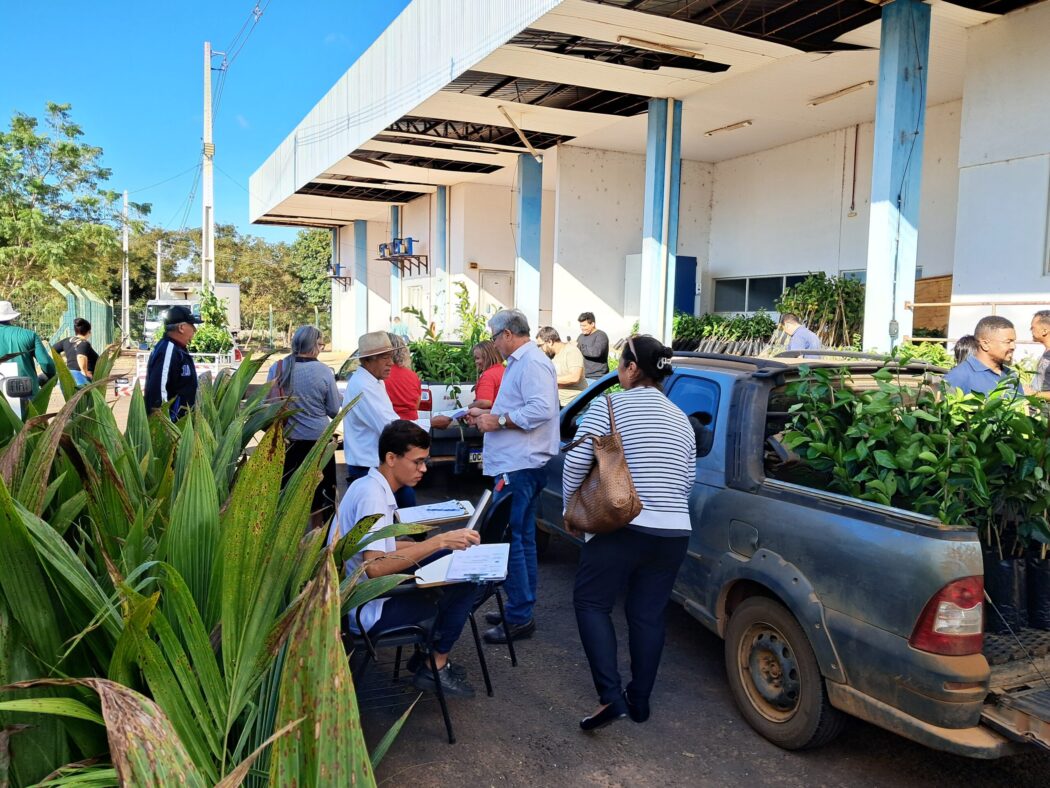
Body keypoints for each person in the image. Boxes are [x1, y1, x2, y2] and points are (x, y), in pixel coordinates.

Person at [564, 335, 695, 731]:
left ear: (632, 368)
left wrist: (572, 510)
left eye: (621, 365)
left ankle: (610, 697)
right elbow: (686, 480)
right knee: (647, 615)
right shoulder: (680, 418)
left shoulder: (610, 404)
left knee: (591, 603)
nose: (619, 371)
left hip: (623, 524)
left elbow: (577, 460)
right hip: (674, 532)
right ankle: (639, 701)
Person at [331, 420, 481, 697]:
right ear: (391, 458)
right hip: (368, 612)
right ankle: (434, 664)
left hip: (361, 599)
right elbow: (375, 567)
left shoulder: (367, 484)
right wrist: (439, 541)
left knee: (448, 557)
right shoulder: (373, 498)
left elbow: (371, 548)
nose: (423, 469)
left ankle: (426, 656)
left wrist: (412, 544)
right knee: (467, 580)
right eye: (417, 461)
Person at [466, 309, 559, 644]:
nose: (493, 342)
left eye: (493, 335)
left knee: (511, 540)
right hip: (519, 463)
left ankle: (520, 614)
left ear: (507, 334)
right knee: (521, 539)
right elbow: (525, 406)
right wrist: (488, 414)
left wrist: (497, 421)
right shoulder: (522, 361)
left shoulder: (530, 362)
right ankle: (521, 608)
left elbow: (541, 410)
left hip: (521, 465)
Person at [267, 326, 340, 528]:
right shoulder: (324, 372)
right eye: (321, 344)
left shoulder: (277, 367)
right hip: (318, 442)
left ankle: (287, 537)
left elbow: (269, 404)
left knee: (289, 493)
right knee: (319, 495)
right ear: (314, 346)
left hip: (288, 442)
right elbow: (334, 410)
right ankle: (315, 541)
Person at [342, 331, 416, 508]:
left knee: (405, 513)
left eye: (391, 356)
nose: (391, 362)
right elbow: (390, 426)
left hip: (376, 466)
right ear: (368, 360)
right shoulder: (363, 385)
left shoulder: (374, 381)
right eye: (385, 358)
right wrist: (431, 423)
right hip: (368, 469)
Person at [431, 340, 505, 430]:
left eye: (478, 358)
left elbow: (484, 402)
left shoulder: (488, 375)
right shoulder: (504, 370)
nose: (476, 362)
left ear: (487, 357)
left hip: (492, 425)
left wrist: (465, 409)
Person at [145, 305, 202, 421]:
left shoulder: (177, 349)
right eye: (192, 325)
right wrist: (166, 426)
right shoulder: (168, 350)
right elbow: (159, 391)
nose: (195, 331)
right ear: (181, 327)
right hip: (172, 427)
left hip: (182, 426)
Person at [943, 316, 1024, 396]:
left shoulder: (1011, 376)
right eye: (1008, 342)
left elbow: (1021, 407)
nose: (1013, 347)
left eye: (1013, 341)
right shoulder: (959, 376)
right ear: (985, 344)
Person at [0, 300, 56, 395]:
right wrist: (50, 377)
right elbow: (46, 363)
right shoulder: (29, 335)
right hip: (26, 389)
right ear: (11, 318)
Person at [536, 326, 588, 406]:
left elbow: (574, 377)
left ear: (550, 342)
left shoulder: (571, 351)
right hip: (556, 403)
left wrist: (548, 380)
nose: (540, 349)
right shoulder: (550, 355)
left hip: (573, 404)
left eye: (540, 345)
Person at [384, 333, 422, 420]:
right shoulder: (413, 375)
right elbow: (416, 405)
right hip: (413, 425)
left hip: (390, 426)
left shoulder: (380, 375)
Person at [54, 318, 98, 387]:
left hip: (68, 377)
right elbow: (81, 356)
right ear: (88, 332)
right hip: (80, 379)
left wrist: (63, 361)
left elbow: (53, 350)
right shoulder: (84, 343)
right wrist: (85, 372)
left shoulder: (67, 341)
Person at [576, 312, 610, 380]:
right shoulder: (581, 336)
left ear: (592, 324)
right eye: (581, 325)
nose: (582, 328)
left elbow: (596, 352)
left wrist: (579, 345)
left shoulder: (601, 335)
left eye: (584, 326)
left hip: (597, 377)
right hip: (583, 376)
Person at [1028, 311, 1050, 399]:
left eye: (1032, 327)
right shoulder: (1046, 352)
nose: (1030, 330)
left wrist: (1034, 394)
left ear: (1045, 331)